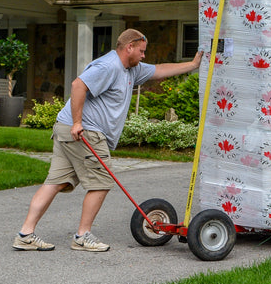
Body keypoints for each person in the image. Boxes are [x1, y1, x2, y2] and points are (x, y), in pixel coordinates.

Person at [14, 29, 202, 252]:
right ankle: (82, 236)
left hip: (66, 130)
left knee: (54, 182)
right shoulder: (109, 66)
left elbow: (159, 70)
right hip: (85, 132)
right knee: (101, 182)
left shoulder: (131, 69)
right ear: (129, 47)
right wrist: (77, 122)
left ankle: (25, 234)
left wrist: (192, 65)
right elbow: (77, 86)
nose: (143, 56)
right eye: (141, 51)